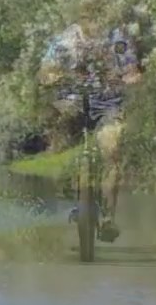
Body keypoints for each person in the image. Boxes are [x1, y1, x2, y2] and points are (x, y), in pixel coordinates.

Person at [39, 26, 143, 247]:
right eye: (87, 11)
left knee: (112, 149)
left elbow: (131, 69)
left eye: (97, 10)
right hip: (74, 104)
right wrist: (49, 76)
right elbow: (45, 70)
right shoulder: (65, 41)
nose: (92, 19)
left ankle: (108, 218)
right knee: (60, 134)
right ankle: (69, 188)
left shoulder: (117, 38)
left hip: (109, 105)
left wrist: (131, 76)